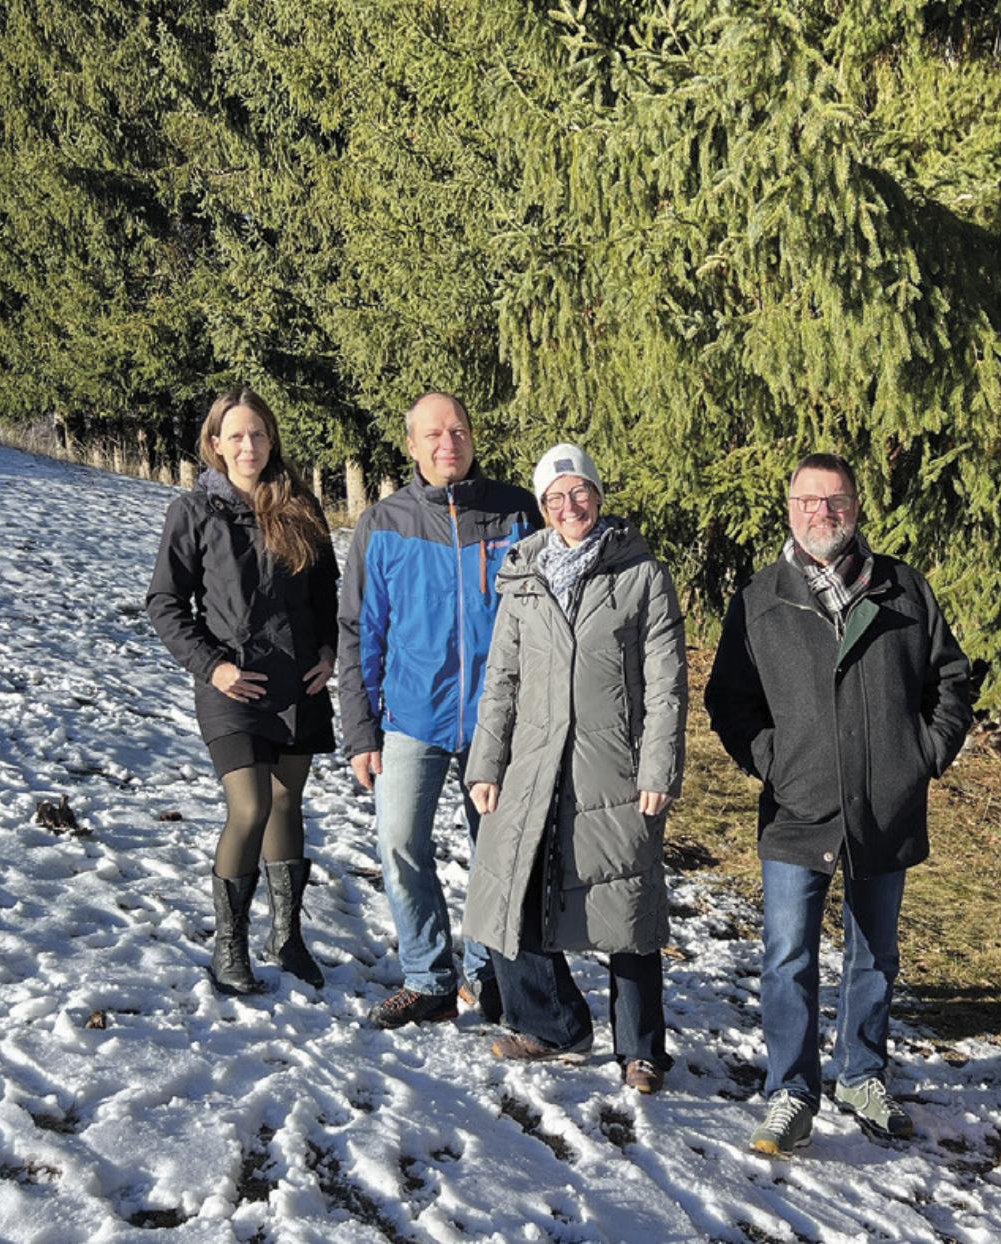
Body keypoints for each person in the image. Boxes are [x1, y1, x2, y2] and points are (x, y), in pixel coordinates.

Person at [705, 452, 973, 1154]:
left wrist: (923, 756)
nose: (821, 513)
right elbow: (728, 701)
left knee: (874, 954)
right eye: (807, 501)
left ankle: (863, 1073)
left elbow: (951, 679)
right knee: (788, 954)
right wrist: (771, 762)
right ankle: (791, 1090)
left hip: (886, 804)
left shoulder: (902, 589)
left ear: (856, 507)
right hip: (797, 808)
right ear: (788, 508)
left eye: (835, 500)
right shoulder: (761, 596)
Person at [461, 444, 686, 1093]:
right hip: (532, 763)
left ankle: (641, 1049)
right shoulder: (522, 576)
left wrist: (658, 769)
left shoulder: (640, 575)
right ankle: (552, 1023)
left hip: (612, 765)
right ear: (541, 508)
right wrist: (487, 763)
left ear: (598, 493)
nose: (569, 506)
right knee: (511, 892)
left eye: (578, 491)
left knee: (628, 905)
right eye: (555, 498)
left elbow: (666, 684)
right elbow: (500, 678)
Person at [338, 392, 540, 1027]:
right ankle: (428, 977)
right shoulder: (384, 522)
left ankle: (485, 976)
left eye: (457, 430)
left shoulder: (515, 514)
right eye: (432, 433)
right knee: (399, 842)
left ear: (473, 437)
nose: (446, 442)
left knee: (495, 855)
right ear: (412, 445)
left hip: (497, 721)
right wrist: (359, 729)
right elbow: (358, 631)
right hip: (410, 718)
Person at [146, 389, 337, 996]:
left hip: (297, 681)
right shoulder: (193, 512)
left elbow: (327, 594)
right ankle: (228, 946)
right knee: (250, 807)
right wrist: (213, 666)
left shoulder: (301, 508)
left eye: (257, 434)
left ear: (271, 438)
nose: (249, 446)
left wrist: (328, 654)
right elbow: (165, 604)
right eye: (236, 436)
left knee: (286, 805)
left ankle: (288, 938)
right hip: (231, 683)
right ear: (215, 444)